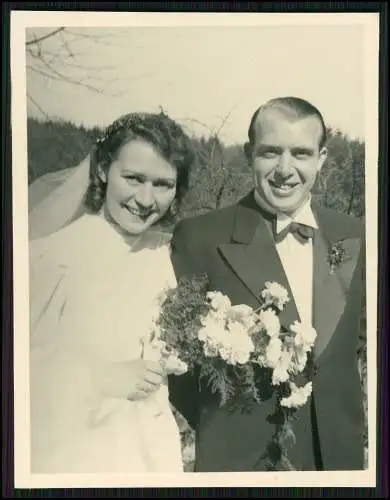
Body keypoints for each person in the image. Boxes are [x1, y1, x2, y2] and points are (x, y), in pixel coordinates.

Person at [168, 96, 366, 471]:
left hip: (341, 462)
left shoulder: (354, 235)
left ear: (322, 158)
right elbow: (179, 368)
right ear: (249, 153)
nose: (285, 169)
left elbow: (356, 341)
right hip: (243, 463)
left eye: (301, 154)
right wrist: (231, 433)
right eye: (271, 152)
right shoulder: (199, 238)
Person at [28, 111, 195, 474]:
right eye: (133, 179)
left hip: (153, 449)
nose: (145, 199)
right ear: (104, 170)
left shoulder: (167, 255)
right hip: (80, 447)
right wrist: (99, 378)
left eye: (163, 184)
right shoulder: (53, 259)